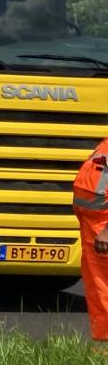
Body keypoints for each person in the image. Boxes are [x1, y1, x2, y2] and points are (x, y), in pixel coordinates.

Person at [73, 136, 108, 345]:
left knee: (103, 291)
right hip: (93, 226)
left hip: (102, 228)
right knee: (97, 291)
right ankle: (101, 349)